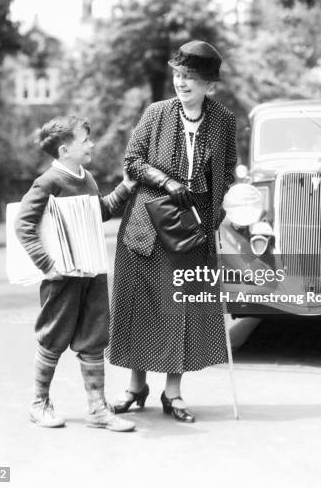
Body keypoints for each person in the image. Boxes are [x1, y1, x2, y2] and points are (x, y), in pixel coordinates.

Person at [108, 40, 237, 423]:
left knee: (180, 307)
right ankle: (135, 386)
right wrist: (167, 182)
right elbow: (132, 162)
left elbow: (227, 170)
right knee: (141, 306)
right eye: (179, 76)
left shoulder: (223, 121)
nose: (182, 84)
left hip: (190, 227)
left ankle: (173, 393)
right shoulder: (156, 113)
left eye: (191, 79)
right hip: (146, 225)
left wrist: (212, 216)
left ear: (209, 86)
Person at [15, 115, 136, 432]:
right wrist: (47, 266)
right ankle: (38, 403)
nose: (91, 144)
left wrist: (125, 187)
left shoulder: (88, 178)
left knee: (94, 338)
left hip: (92, 273)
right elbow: (23, 226)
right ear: (65, 149)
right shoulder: (49, 182)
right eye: (85, 140)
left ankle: (97, 408)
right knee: (53, 337)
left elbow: (101, 212)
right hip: (62, 279)